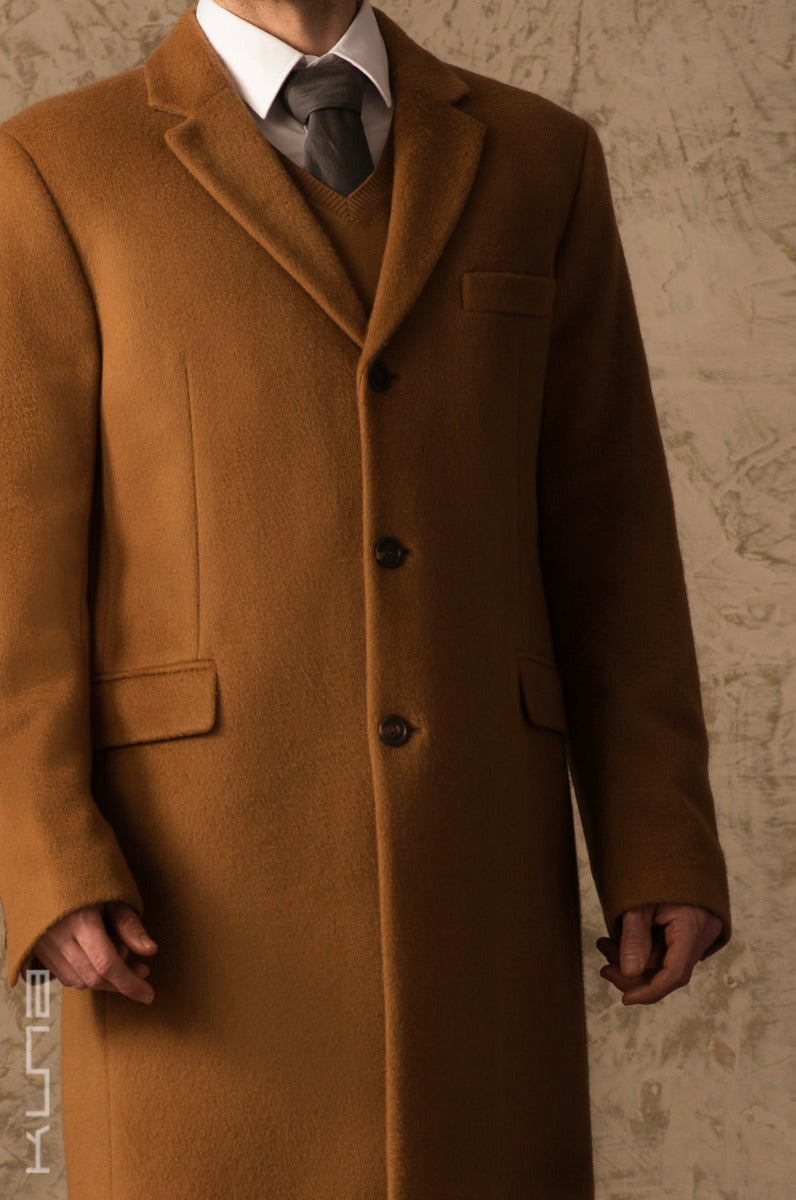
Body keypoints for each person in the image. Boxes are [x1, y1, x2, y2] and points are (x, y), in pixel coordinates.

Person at [0, 0, 732, 1196]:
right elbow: (14, 563)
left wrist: (658, 836)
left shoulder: (540, 159)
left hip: (478, 873)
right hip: (192, 892)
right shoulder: (56, 165)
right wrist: (44, 856)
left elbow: (611, 536)